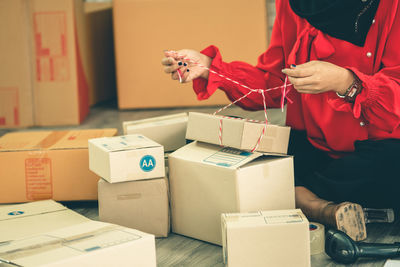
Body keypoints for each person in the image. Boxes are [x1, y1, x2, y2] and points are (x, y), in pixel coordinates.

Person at [161, 0, 400, 241]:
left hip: (379, 147)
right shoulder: (295, 5)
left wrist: (347, 82)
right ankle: (316, 203)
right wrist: (210, 68)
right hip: (313, 145)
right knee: (233, 154)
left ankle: (298, 198)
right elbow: (274, 83)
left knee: (392, 165)